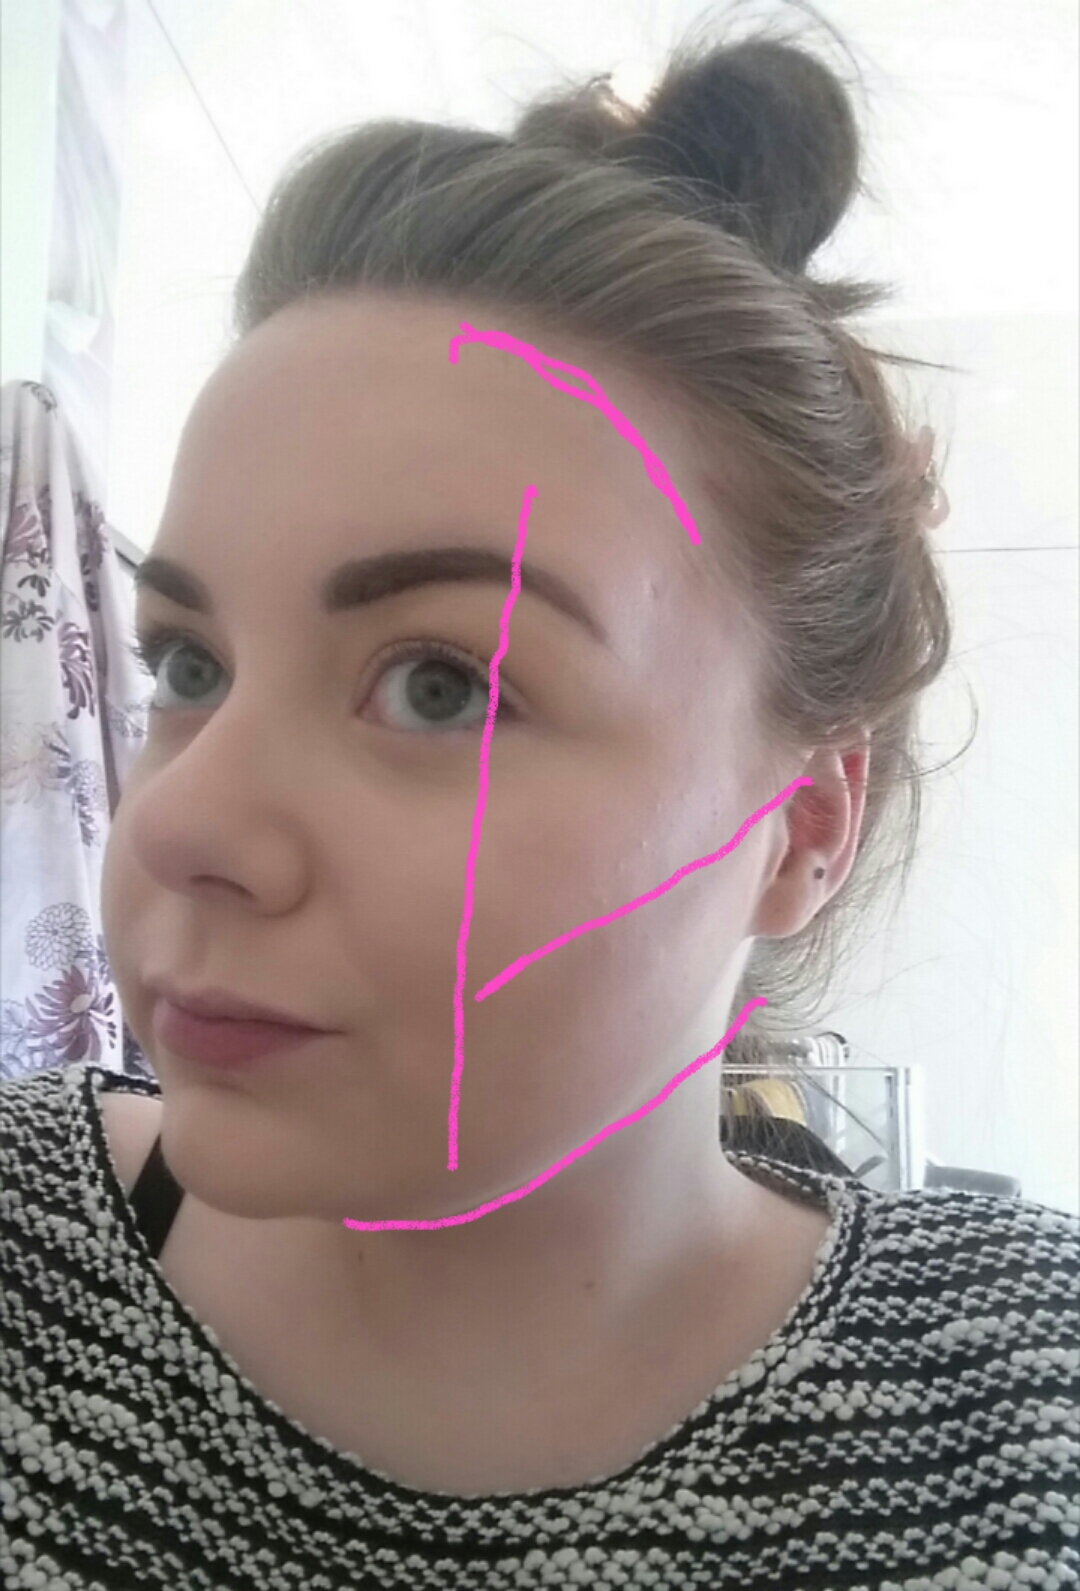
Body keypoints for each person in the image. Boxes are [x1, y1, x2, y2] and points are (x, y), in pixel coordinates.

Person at [3, 8, 1076, 1589]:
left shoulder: (1027, 1416)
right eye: (190, 665)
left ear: (802, 826)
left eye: (441, 685)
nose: (175, 826)